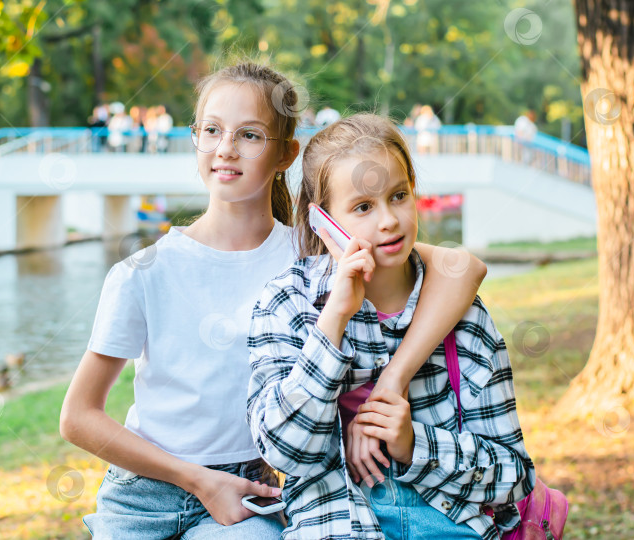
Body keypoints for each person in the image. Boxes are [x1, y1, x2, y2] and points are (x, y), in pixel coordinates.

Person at [60, 62, 487, 539]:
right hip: (143, 494)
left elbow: (462, 268)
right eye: (212, 130)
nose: (225, 148)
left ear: (286, 153)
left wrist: (393, 380)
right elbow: (79, 416)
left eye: (250, 135)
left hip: (251, 490)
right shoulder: (143, 272)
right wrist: (197, 481)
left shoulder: (315, 256)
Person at [247, 113, 536, 539]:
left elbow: (514, 475)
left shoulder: (465, 317)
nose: (388, 220)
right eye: (363, 207)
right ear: (322, 220)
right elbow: (284, 451)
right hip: (336, 524)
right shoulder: (287, 303)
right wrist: (333, 321)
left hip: (449, 523)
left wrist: (413, 444)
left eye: (398, 196)